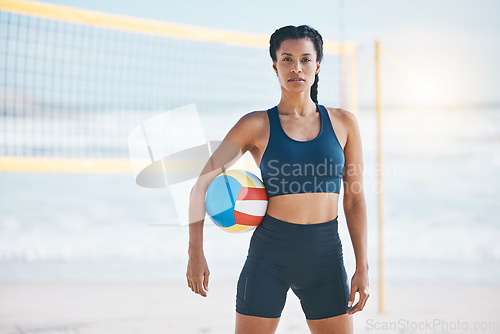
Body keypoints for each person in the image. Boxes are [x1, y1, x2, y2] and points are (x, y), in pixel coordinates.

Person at [186, 25, 369, 334]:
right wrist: (195, 252)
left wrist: (362, 266)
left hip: (326, 259)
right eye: (286, 59)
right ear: (275, 65)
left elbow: (354, 198)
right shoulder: (255, 124)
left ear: (317, 65)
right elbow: (201, 185)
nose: (296, 67)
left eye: (305, 59)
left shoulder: (344, 123)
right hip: (269, 258)